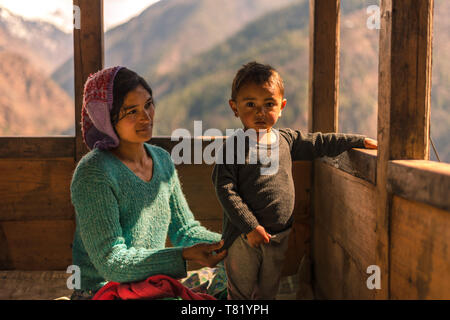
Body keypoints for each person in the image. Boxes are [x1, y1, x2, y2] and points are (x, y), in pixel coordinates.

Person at [212, 61, 377, 300]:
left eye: (269, 104)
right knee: (240, 293)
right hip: (243, 238)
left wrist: (357, 141)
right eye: (250, 104)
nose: (260, 112)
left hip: (280, 237)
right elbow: (225, 189)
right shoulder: (233, 148)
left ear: (281, 107)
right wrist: (250, 226)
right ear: (234, 107)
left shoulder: (287, 140)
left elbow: (321, 142)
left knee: (268, 290)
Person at [70, 66, 227, 300]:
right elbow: (112, 263)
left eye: (148, 104)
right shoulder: (94, 173)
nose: (146, 117)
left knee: (232, 286)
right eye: (131, 111)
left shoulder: (161, 159)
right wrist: (183, 255)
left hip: (151, 285)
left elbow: (185, 230)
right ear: (106, 120)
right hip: (103, 291)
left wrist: (229, 244)